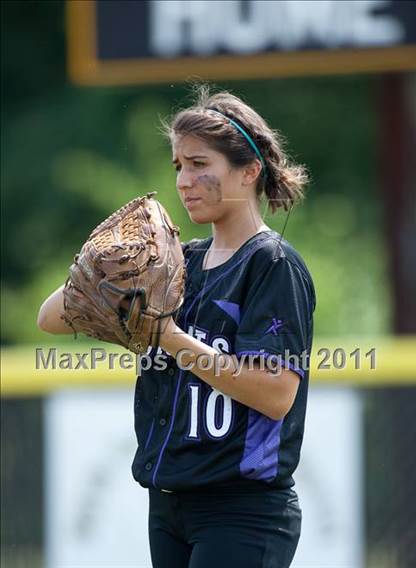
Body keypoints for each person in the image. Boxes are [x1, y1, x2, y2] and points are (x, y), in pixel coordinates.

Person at [38, 85, 316, 568]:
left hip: (242, 507)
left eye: (200, 164)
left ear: (249, 171)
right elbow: (50, 318)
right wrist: (103, 265)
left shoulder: (271, 264)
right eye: (179, 166)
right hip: (168, 504)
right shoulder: (173, 265)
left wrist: (168, 336)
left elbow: (276, 393)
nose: (184, 180)